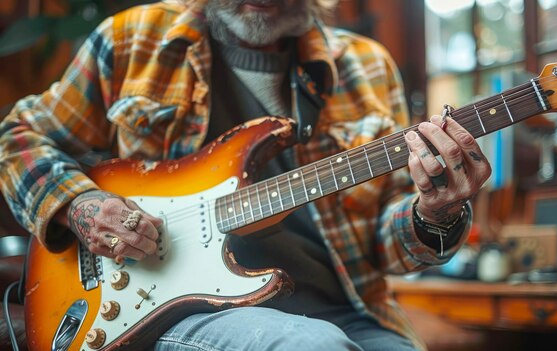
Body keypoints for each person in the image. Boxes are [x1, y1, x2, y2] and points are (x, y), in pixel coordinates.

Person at [0, 0, 492, 350]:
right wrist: (80, 206)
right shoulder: (132, 40)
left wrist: (436, 211)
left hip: (346, 309)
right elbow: (17, 137)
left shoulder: (367, 66)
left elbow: (381, 242)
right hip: (171, 308)